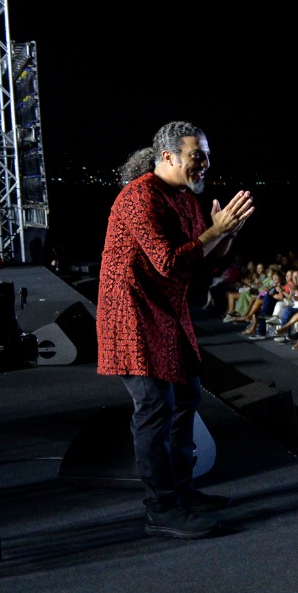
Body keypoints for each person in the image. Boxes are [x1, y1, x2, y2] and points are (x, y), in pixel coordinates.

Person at [97, 121, 254, 539]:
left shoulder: (184, 200)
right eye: (195, 156)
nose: (204, 164)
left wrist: (226, 235)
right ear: (167, 157)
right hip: (132, 314)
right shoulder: (139, 197)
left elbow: (196, 262)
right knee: (154, 407)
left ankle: (183, 491)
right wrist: (215, 232)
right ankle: (160, 506)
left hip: (168, 310)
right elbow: (168, 261)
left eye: (206, 155)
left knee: (186, 396)